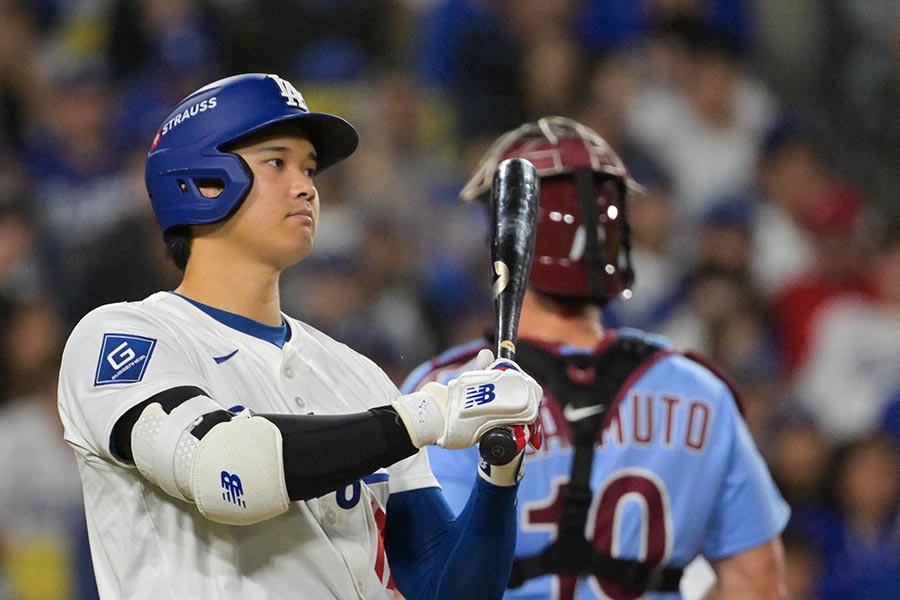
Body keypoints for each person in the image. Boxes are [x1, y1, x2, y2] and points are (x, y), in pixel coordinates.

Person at [56, 72, 542, 600]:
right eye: (277, 161)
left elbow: (441, 587)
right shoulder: (122, 336)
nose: (307, 185)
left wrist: (500, 469)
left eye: (308, 168)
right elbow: (229, 473)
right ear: (201, 179)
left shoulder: (357, 376)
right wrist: (428, 415)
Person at [401, 117, 790, 599]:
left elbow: (416, 573)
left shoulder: (448, 389)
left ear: (501, 238)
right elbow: (758, 584)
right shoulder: (700, 391)